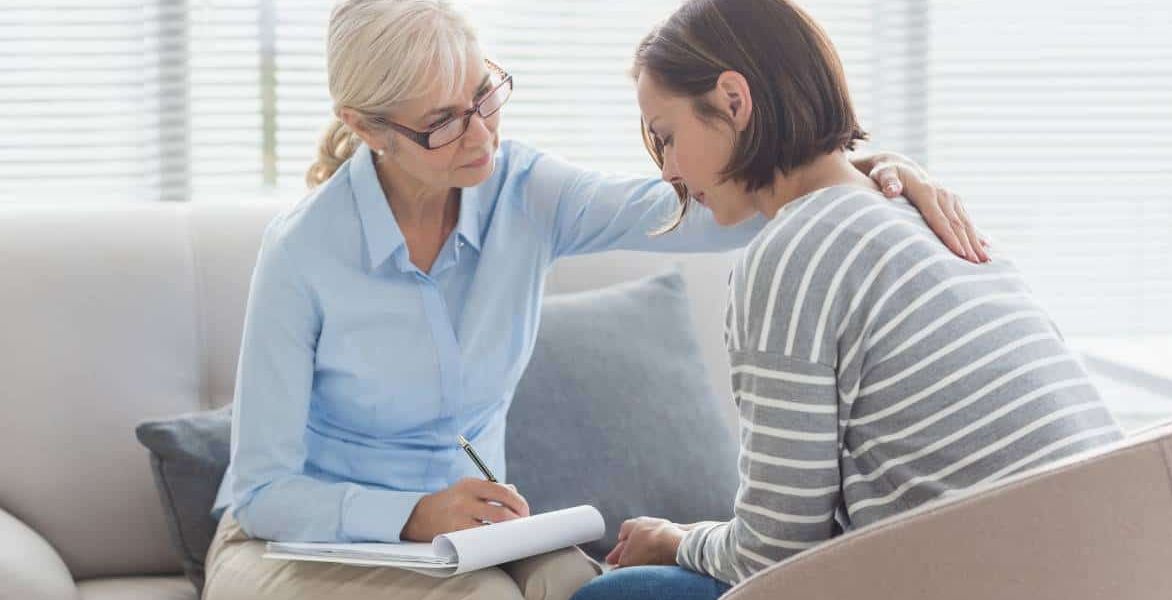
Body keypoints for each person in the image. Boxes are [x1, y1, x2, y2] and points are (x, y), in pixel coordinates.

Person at [201, 1, 984, 599]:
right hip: (290, 544)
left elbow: (711, 204)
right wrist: (412, 515)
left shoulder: (521, 191)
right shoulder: (303, 252)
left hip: (474, 536)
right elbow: (268, 493)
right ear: (367, 128)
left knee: (591, 592)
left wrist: (863, 169)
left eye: (484, 95)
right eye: (443, 123)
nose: (480, 135)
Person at [572, 1, 1123, 598]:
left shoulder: (788, 256)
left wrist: (674, 539)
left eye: (668, 136)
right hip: (1121, 554)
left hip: (996, 575)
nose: (669, 171)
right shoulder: (925, 218)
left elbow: (774, 554)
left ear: (734, 100)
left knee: (618, 593)